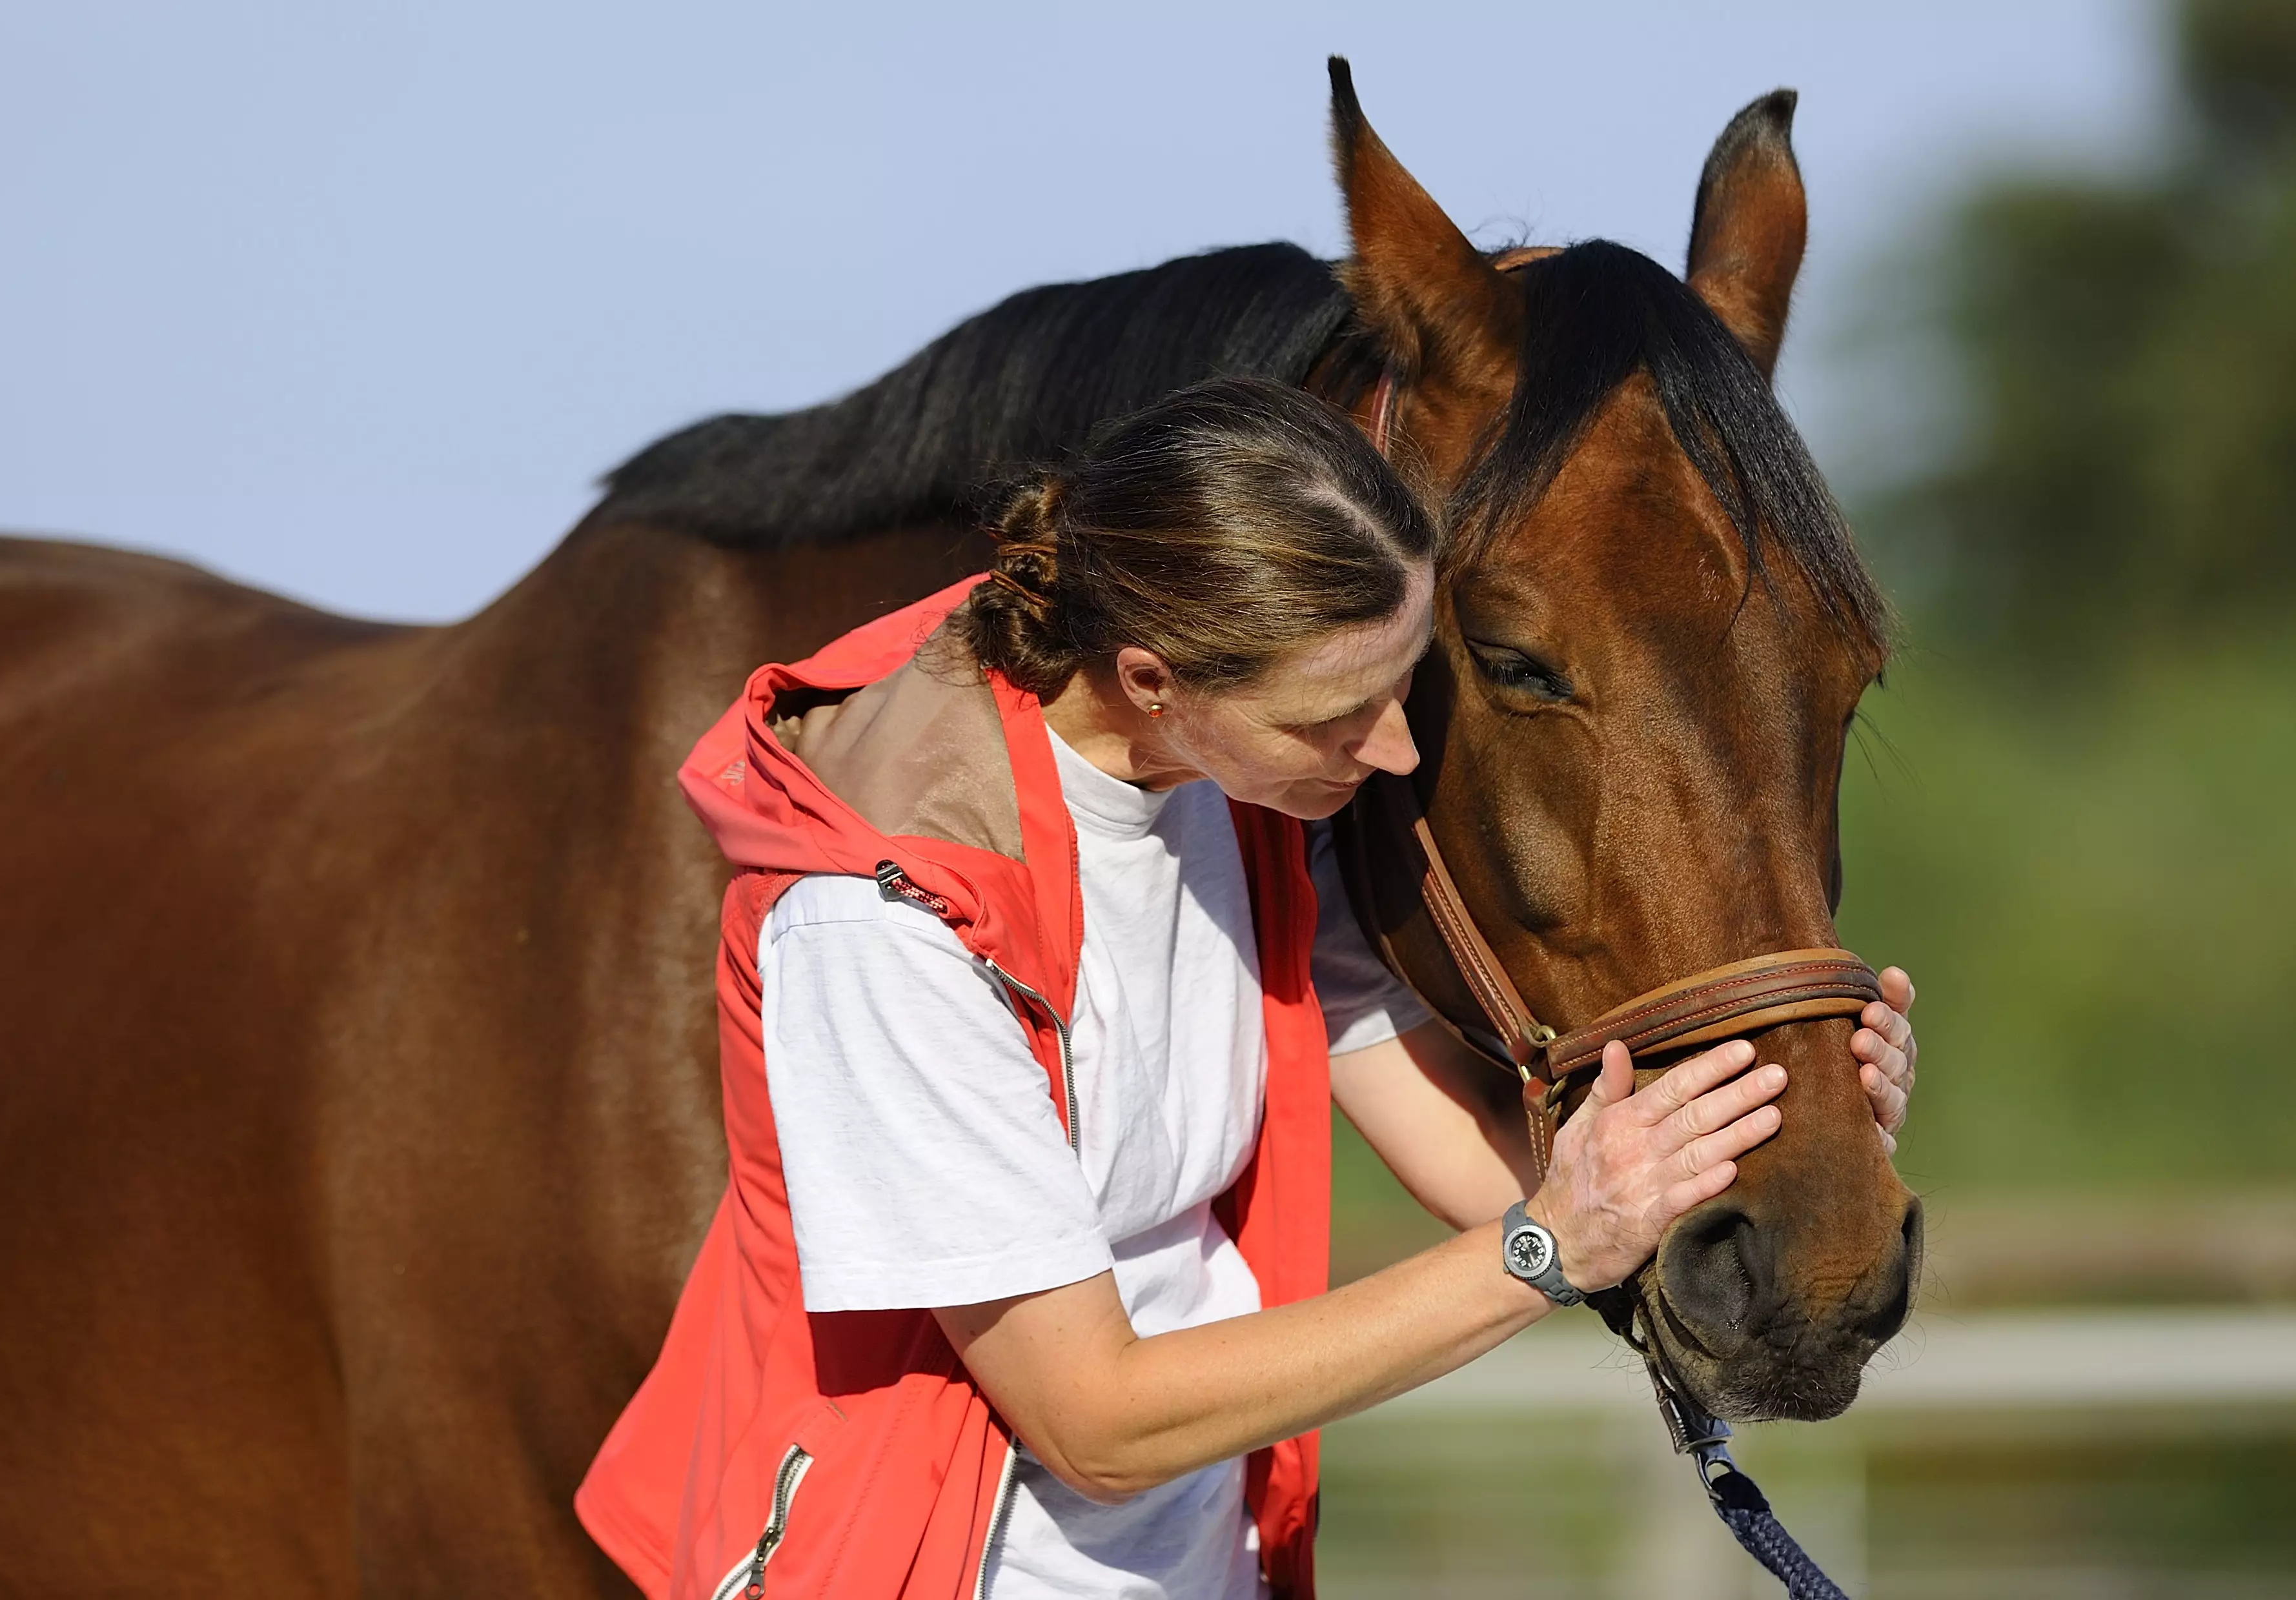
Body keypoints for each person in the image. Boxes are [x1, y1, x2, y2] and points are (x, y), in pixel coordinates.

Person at [576, 376, 1919, 1600]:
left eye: (1402, 690)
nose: (1390, 753)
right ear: (1152, 681)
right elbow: (1097, 1421)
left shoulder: (1242, 789)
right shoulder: (884, 925)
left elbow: (1455, 1141)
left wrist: (1738, 1155)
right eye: (1338, 718)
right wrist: (1545, 1252)